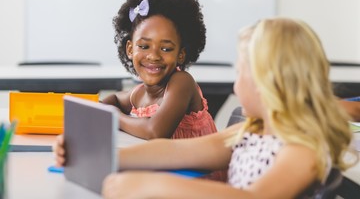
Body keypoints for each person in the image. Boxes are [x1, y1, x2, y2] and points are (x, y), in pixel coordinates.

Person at [55, 17, 357, 198]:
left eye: (241, 73)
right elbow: (173, 151)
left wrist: (155, 186)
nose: (236, 86)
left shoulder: (302, 149)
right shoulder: (252, 131)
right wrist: (99, 156)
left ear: (269, 82)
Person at [101, 0, 218, 140]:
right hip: (162, 163)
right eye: (144, 46)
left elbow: (155, 131)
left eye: (166, 49)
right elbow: (114, 99)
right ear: (130, 49)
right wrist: (104, 108)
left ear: (181, 54)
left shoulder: (182, 82)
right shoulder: (139, 93)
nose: (153, 56)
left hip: (195, 164)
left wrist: (114, 116)